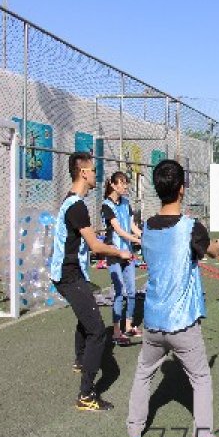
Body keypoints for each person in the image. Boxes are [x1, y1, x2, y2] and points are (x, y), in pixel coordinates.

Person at [126, 159, 219, 437]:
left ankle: (134, 430)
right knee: (201, 378)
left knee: (143, 373)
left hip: (153, 321)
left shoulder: (146, 227)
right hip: (182, 324)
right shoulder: (191, 227)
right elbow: (209, 250)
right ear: (182, 189)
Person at [51, 152, 132, 411]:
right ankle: (86, 395)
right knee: (97, 331)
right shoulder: (77, 206)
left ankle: (79, 360)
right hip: (68, 275)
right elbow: (95, 245)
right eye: (94, 171)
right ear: (84, 172)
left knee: (85, 315)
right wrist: (120, 252)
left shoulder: (73, 202)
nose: (97, 175)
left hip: (72, 273)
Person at [101, 171, 142, 345]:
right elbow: (118, 230)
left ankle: (129, 325)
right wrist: (137, 240)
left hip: (128, 252)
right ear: (113, 184)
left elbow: (132, 226)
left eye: (126, 183)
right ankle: (116, 331)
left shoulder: (126, 203)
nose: (125, 186)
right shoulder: (106, 205)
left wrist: (144, 235)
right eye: (122, 183)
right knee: (119, 291)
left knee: (131, 291)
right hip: (114, 253)